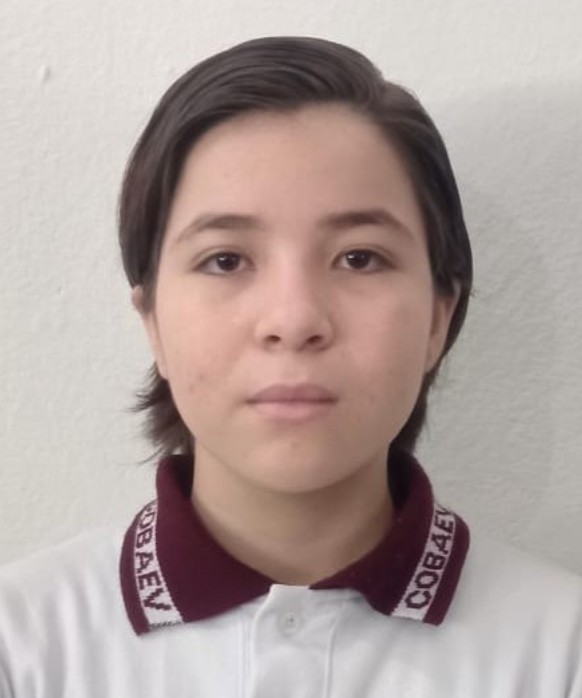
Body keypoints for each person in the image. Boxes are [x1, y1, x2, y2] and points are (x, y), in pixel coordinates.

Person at [0, 35, 581, 697]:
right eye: (226, 260)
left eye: (359, 258)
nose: (294, 318)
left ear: (437, 319)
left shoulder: (561, 654)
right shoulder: (22, 648)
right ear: (152, 319)